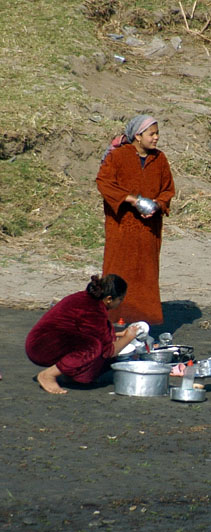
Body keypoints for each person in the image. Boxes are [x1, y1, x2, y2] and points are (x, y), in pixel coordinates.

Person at [96, 114, 175, 325]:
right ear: (138, 136)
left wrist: (157, 204)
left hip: (148, 230)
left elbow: (168, 189)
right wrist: (132, 200)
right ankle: (112, 321)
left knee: (146, 276)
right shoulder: (118, 157)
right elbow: (104, 183)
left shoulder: (160, 159)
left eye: (157, 133)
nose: (156, 138)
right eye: (152, 134)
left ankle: (144, 322)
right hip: (121, 228)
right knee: (117, 273)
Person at [25, 274, 140, 395]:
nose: (121, 303)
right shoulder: (93, 310)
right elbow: (108, 351)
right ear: (109, 299)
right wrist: (128, 337)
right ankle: (48, 375)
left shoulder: (90, 300)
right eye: (120, 299)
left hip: (49, 341)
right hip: (40, 346)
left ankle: (67, 373)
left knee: (93, 364)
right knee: (93, 347)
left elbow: (95, 332)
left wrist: (118, 335)